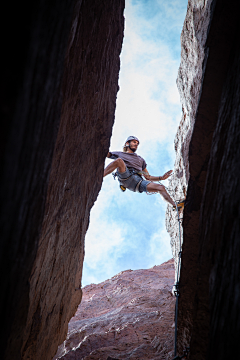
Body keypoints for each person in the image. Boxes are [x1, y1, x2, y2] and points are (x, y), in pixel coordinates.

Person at [103, 136, 184, 211]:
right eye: (134, 142)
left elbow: (148, 177)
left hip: (138, 182)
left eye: (137, 143)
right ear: (127, 143)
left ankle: (175, 206)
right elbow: (107, 154)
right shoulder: (120, 154)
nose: (136, 144)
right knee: (119, 161)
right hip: (126, 175)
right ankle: (101, 176)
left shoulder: (140, 159)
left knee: (160, 187)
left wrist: (161, 178)